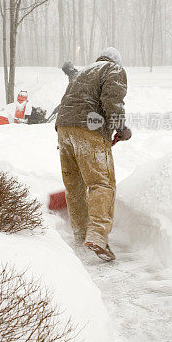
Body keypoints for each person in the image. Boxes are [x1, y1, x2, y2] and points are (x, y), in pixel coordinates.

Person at [55, 47, 132, 261]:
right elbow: (112, 101)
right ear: (116, 61)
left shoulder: (82, 74)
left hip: (64, 131)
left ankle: (80, 235)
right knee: (102, 183)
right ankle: (97, 236)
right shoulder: (113, 70)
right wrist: (121, 127)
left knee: (75, 186)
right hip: (88, 129)